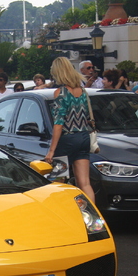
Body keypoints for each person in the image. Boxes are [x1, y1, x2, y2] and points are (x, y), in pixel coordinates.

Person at [44, 57, 95, 203]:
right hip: (83, 137)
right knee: (85, 183)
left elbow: (59, 123)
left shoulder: (60, 93)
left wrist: (52, 150)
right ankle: (93, 216)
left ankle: (63, 214)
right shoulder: (82, 91)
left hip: (67, 140)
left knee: (58, 183)